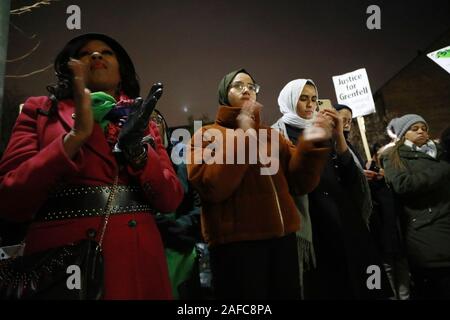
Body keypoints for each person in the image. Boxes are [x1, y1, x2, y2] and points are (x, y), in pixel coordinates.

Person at [0, 33, 184, 299]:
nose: (96, 56)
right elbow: (10, 199)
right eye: (85, 53)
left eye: (106, 52)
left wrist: (137, 152)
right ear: (68, 69)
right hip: (63, 266)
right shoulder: (39, 111)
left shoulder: (145, 121)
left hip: (140, 262)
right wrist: (74, 138)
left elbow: (170, 199)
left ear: (122, 72)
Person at [187, 69, 332, 299]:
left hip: (282, 243)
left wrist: (312, 144)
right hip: (237, 248)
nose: (246, 89)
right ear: (224, 94)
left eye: (251, 86)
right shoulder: (206, 135)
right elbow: (212, 186)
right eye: (238, 85)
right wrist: (245, 136)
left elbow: (300, 183)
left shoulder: (272, 136)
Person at [382, 114, 450, 299]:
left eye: (424, 128)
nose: (421, 131)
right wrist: (443, 168)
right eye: (414, 128)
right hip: (426, 231)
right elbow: (403, 185)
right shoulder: (394, 156)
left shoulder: (442, 151)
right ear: (404, 134)